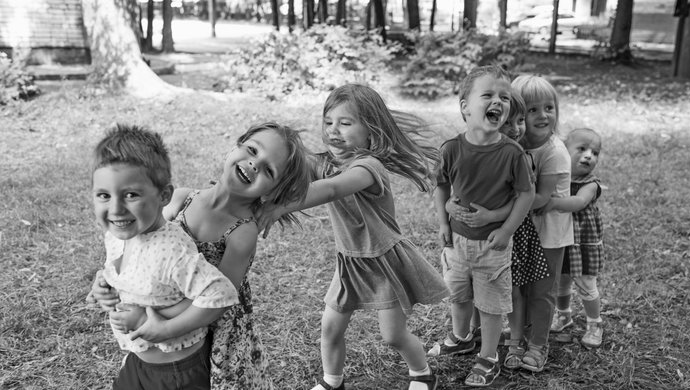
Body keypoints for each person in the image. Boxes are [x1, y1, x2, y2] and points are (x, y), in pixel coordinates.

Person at [89, 122, 312, 390]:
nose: (254, 164)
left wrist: (152, 318)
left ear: (273, 191)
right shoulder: (183, 198)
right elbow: (144, 246)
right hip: (156, 329)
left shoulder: (242, 232)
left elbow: (220, 298)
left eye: (268, 169)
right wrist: (109, 282)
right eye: (252, 150)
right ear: (235, 147)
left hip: (200, 324)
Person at [258, 84, 449, 390]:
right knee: (330, 328)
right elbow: (291, 168)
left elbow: (332, 189)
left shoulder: (368, 168)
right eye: (328, 121)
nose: (334, 130)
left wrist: (281, 207)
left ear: (371, 132)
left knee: (393, 336)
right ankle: (333, 381)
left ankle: (423, 373)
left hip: (385, 263)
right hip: (350, 264)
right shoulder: (324, 163)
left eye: (346, 123)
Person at [89, 124, 241, 390]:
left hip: (176, 371)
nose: (115, 209)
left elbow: (220, 296)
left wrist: (162, 328)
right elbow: (127, 272)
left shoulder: (172, 251)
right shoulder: (117, 235)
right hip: (138, 361)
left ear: (164, 196)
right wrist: (103, 285)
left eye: (131, 195)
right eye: (104, 195)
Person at [435, 65, 534, 387]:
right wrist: (443, 222)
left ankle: (489, 356)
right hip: (457, 244)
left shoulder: (511, 153)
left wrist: (506, 231)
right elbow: (441, 186)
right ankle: (461, 337)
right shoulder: (451, 148)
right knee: (458, 294)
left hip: (493, 245)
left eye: (504, 97)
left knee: (491, 305)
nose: (498, 102)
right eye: (488, 95)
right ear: (465, 106)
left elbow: (526, 194)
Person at [444, 89, 550, 370]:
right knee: (476, 290)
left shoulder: (516, 156)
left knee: (506, 292)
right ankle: (472, 335)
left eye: (519, 121)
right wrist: (449, 207)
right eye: (508, 123)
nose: (515, 129)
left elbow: (524, 198)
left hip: (509, 232)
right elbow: (453, 186)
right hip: (473, 237)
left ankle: (513, 343)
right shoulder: (463, 148)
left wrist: (495, 218)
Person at [512, 74, 574, 372]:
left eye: (549, 107)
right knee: (519, 287)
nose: (543, 115)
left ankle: (538, 344)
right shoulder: (513, 145)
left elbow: (539, 198)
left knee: (542, 291)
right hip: (522, 232)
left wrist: (500, 208)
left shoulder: (555, 151)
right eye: (532, 109)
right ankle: (519, 337)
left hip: (549, 233)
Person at [542, 128, 605, 348]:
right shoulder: (560, 178)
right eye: (582, 149)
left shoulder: (590, 184)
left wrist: (552, 203)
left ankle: (595, 323)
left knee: (586, 284)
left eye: (595, 152)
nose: (589, 155)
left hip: (582, 244)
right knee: (561, 282)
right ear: (564, 151)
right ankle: (564, 315)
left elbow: (578, 203)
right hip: (562, 241)